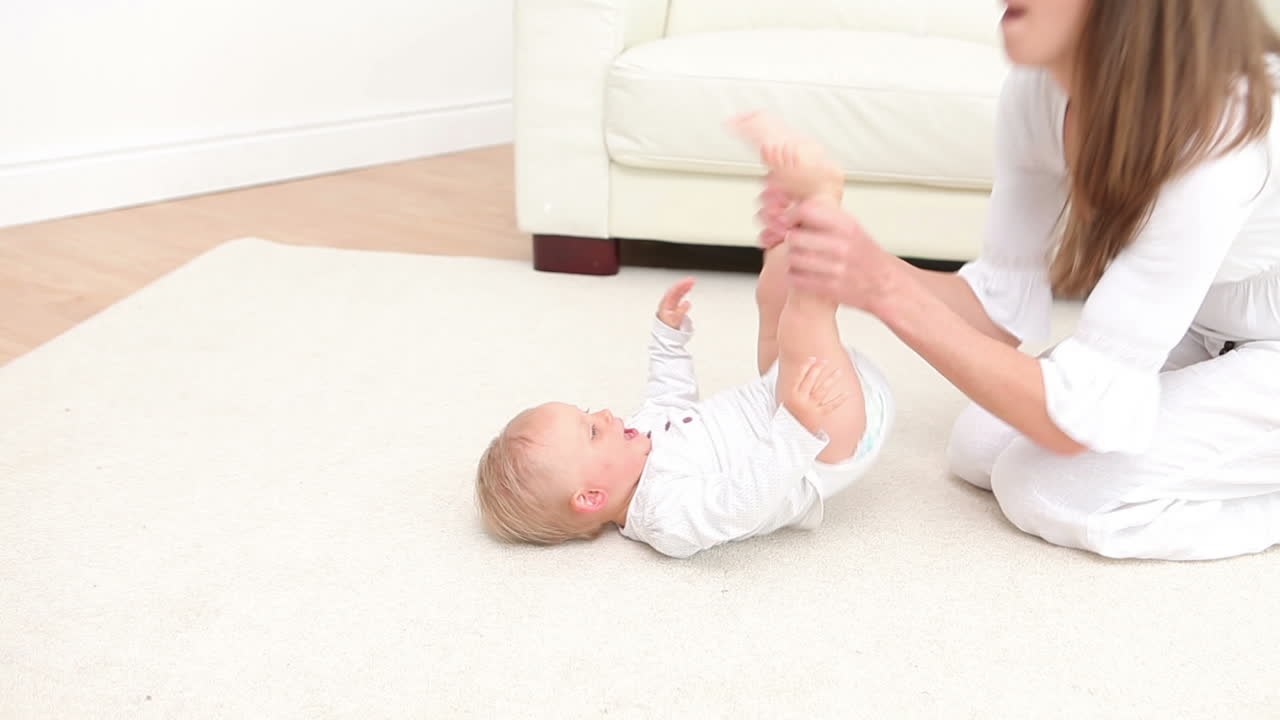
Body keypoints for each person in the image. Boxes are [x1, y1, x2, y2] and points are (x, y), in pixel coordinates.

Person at [753, 0, 1280, 561]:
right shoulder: (1042, 89)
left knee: (1049, 490)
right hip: (1204, 318)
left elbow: (1077, 422)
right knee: (978, 446)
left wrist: (881, 284)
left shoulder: (1220, 131)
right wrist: (842, 261)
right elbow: (997, 308)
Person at [474, 162, 894, 557]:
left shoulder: (639, 439)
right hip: (819, 443)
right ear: (591, 497)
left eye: (587, 413)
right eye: (591, 432)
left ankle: (787, 230)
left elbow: (668, 395)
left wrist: (669, 338)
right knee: (804, 322)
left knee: (773, 299)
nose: (603, 413)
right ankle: (822, 219)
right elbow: (741, 504)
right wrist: (796, 428)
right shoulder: (665, 518)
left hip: (782, 393)